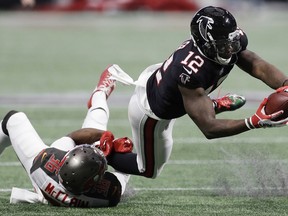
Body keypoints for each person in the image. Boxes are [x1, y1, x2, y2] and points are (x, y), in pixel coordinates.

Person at [104, 6, 288, 179]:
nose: (231, 48)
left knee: (196, 96)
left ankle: (210, 104)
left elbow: (257, 64)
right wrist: (253, 122)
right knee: (149, 170)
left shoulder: (225, 43)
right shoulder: (189, 71)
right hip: (151, 111)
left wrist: (285, 84)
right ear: (205, 43)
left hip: (177, 89)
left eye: (231, 41)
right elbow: (209, 128)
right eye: (224, 44)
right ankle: (105, 152)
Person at [0, 67, 133, 207]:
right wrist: (121, 148)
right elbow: (125, 171)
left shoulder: (46, 164)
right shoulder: (106, 196)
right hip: (50, 186)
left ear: (63, 162)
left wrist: (103, 137)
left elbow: (72, 137)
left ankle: (99, 93)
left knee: (14, 119)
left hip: (43, 177)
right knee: (100, 131)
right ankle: (100, 93)